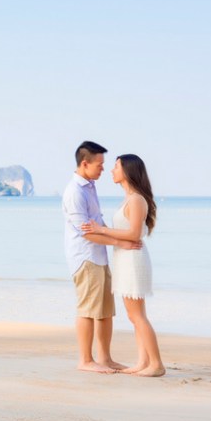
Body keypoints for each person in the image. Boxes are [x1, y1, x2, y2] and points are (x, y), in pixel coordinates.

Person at [62, 141, 141, 373]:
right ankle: (85, 360)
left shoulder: (89, 185)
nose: (103, 169)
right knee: (88, 309)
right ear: (84, 164)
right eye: (99, 165)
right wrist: (119, 242)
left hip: (99, 256)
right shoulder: (74, 192)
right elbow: (86, 233)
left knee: (105, 311)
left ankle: (104, 358)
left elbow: (98, 224)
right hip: (85, 258)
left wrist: (117, 240)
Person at [82, 155, 164, 377]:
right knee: (136, 315)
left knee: (137, 316)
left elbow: (134, 234)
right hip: (126, 259)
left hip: (133, 261)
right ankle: (142, 362)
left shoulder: (136, 200)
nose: (111, 170)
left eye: (116, 166)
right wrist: (103, 230)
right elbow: (126, 231)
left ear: (127, 171)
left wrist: (101, 230)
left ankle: (156, 364)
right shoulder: (129, 199)